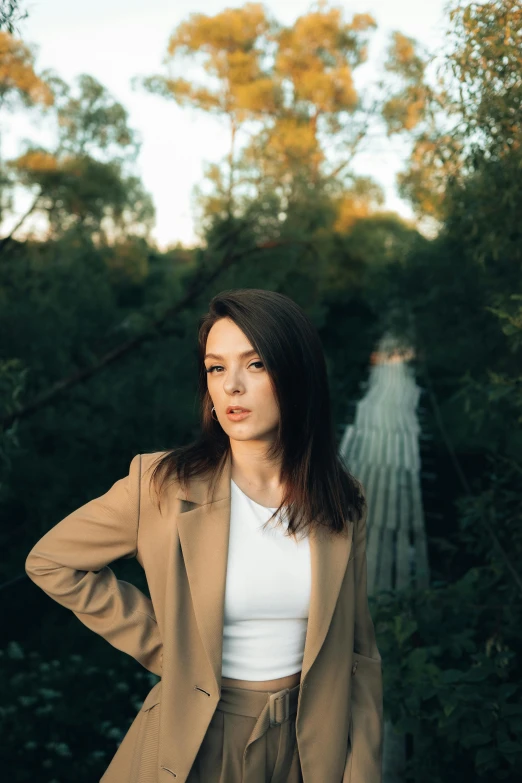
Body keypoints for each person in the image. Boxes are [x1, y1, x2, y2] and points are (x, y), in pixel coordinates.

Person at [25, 288, 383, 783]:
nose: (232, 385)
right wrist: (170, 647)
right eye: (216, 368)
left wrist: (362, 770)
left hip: (309, 746)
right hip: (195, 740)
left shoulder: (344, 500)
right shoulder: (160, 484)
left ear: (296, 375)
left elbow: (359, 654)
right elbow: (51, 561)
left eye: (255, 364)